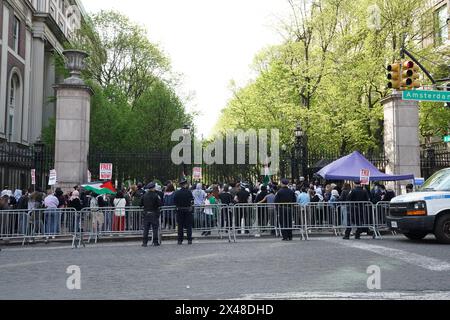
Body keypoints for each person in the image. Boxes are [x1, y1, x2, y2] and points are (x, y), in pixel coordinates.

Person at [141, 182, 162, 247]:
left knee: (146, 229)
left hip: (146, 213)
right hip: (154, 213)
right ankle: (155, 242)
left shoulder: (144, 195)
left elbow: (140, 204)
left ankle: (144, 242)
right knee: (155, 228)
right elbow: (159, 204)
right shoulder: (156, 195)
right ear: (153, 188)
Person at [174, 178, 194, 245]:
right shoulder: (189, 192)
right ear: (185, 184)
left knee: (180, 226)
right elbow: (192, 201)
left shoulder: (177, 193)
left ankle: (180, 240)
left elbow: (175, 201)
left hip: (179, 210)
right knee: (189, 226)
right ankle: (189, 240)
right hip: (188, 210)